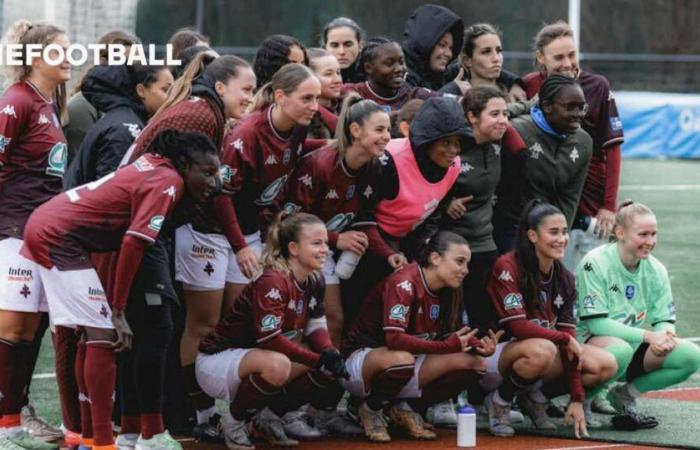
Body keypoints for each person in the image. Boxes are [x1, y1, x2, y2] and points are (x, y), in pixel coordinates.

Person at [21, 130, 221, 450]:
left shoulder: (151, 164)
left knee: (89, 336)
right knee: (104, 336)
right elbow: (133, 241)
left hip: (50, 226)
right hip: (60, 237)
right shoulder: (169, 181)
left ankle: (89, 437)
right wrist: (117, 308)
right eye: (208, 172)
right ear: (184, 164)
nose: (214, 182)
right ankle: (103, 443)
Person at [120, 53, 256, 444]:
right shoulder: (200, 115)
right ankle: (148, 429)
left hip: (149, 220)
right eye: (245, 89)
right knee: (152, 330)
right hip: (141, 221)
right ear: (219, 87)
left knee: (155, 328)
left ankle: (150, 426)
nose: (250, 97)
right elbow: (161, 174)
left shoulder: (206, 112)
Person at [196, 212, 353, 449]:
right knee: (281, 364)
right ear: (293, 248)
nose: (325, 250)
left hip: (256, 359)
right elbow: (270, 340)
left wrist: (328, 352)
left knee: (329, 364)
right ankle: (233, 422)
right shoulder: (273, 280)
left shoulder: (315, 279)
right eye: (317, 243)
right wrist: (317, 359)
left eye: (326, 243)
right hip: (218, 361)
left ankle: (268, 417)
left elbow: (316, 325)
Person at [342, 231, 500, 442]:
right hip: (362, 362)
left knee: (476, 363)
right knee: (401, 359)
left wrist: (479, 345)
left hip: (410, 359)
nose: (465, 270)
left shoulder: (450, 289)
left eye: (467, 264)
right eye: (460, 262)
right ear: (435, 258)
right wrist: (447, 346)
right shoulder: (404, 283)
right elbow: (394, 340)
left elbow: (456, 334)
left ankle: (405, 409)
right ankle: (370, 409)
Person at [484, 200, 617, 438]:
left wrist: (576, 397)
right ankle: (499, 400)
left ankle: (535, 398)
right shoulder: (508, 266)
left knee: (605, 364)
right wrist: (562, 340)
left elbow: (569, 341)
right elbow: (518, 326)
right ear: (533, 235)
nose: (562, 239)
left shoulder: (565, 278)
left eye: (565, 232)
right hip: (494, 358)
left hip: (539, 356)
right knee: (543, 349)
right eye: (553, 232)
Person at [0, 19, 71, 450]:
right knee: (13, 329)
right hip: (13, 230)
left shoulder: (47, 101)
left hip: (40, 233)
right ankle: (5, 427)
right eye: (60, 51)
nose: (69, 57)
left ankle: (14, 418)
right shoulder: (17, 101)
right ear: (35, 58)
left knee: (31, 330)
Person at [342, 96, 466, 325]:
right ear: (428, 141)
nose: (453, 151)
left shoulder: (454, 166)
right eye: (446, 143)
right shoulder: (388, 162)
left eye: (457, 143)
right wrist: (387, 253)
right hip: (370, 237)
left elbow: (435, 211)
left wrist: (422, 247)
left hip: (409, 236)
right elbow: (361, 215)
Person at [575, 201, 700, 428]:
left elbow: (664, 318)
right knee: (621, 348)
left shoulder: (656, 269)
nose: (650, 241)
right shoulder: (595, 263)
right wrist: (649, 337)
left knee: (691, 356)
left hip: (630, 348)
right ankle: (585, 398)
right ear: (620, 232)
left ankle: (625, 394)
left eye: (654, 234)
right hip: (588, 350)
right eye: (643, 234)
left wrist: (664, 336)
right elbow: (595, 324)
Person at [284, 94, 390, 346]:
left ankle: (322, 381)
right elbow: (289, 220)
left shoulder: (374, 166)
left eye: (388, 128)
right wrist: (336, 239)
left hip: (324, 251)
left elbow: (364, 218)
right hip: (291, 250)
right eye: (379, 129)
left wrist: (387, 254)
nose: (387, 136)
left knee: (334, 320)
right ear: (355, 130)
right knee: (295, 324)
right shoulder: (320, 165)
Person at [521, 21, 625, 274]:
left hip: (589, 197)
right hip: (546, 191)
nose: (567, 63)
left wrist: (609, 206)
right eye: (558, 57)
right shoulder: (528, 86)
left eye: (572, 54)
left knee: (586, 275)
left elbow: (612, 149)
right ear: (540, 57)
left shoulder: (597, 86)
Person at [493, 74, 592, 253]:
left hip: (546, 229)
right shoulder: (516, 131)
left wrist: (558, 237)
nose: (578, 115)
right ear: (546, 106)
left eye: (581, 107)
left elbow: (569, 197)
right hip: (509, 226)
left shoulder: (583, 141)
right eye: (570, 107)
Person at [65, 62, 173, 188]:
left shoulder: (126, 119)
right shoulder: (124, 128)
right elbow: (111, 192)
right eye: (166, 90)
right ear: (141, 91)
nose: (172, 97)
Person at [63, 30, 140, 164]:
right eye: (126, 64)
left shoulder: (132, 104)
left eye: (137, 64)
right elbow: (80, 169)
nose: (134, 71)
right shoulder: (81, 108)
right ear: (103, 62)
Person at [341, 37, 438, 114]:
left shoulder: (414, 95)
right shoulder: (352, 92)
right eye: (389, 63)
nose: (399, 69)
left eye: (401, 62)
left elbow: (450, 102)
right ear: (368, 68)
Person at [306, 48, 343, 139]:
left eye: (338, 73)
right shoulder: (304, 116)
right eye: (328, 74)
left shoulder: (346, 106)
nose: (337, 80)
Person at [321, 17, 365, 84]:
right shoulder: (314, 78)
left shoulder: (373, 78)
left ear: (360, 46)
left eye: (348, 45)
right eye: (334, 45)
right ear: (325, 48)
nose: (342, 52)